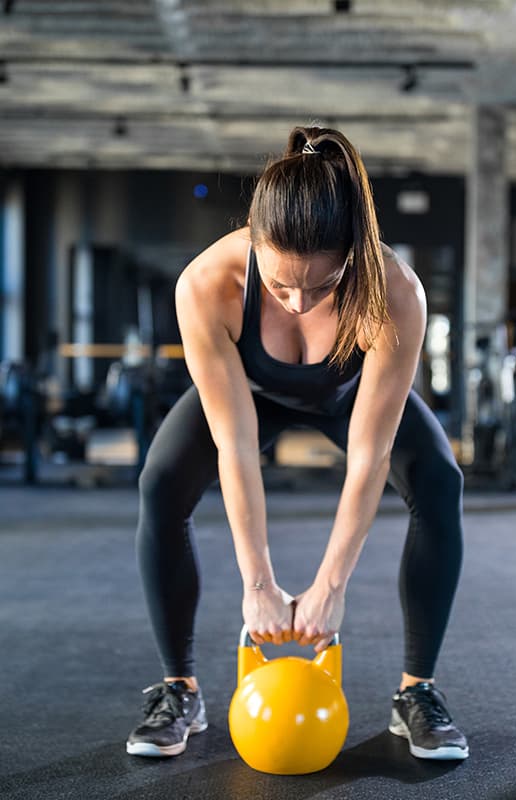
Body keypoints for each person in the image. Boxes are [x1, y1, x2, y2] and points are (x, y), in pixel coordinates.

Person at [126, 125, 469, 761]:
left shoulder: (396, 293)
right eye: (281, 286)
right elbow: (236, 445)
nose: (298, 302)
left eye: (320, 285)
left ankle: (416, 692)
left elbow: (368, 457)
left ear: (353, 254)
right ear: (254, 243)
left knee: (439, 481)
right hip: (249, 393)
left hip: (347, 396)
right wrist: (258, 582)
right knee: (161, 483)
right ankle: (180, 689)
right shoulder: (205, 286)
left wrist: (331, 585)